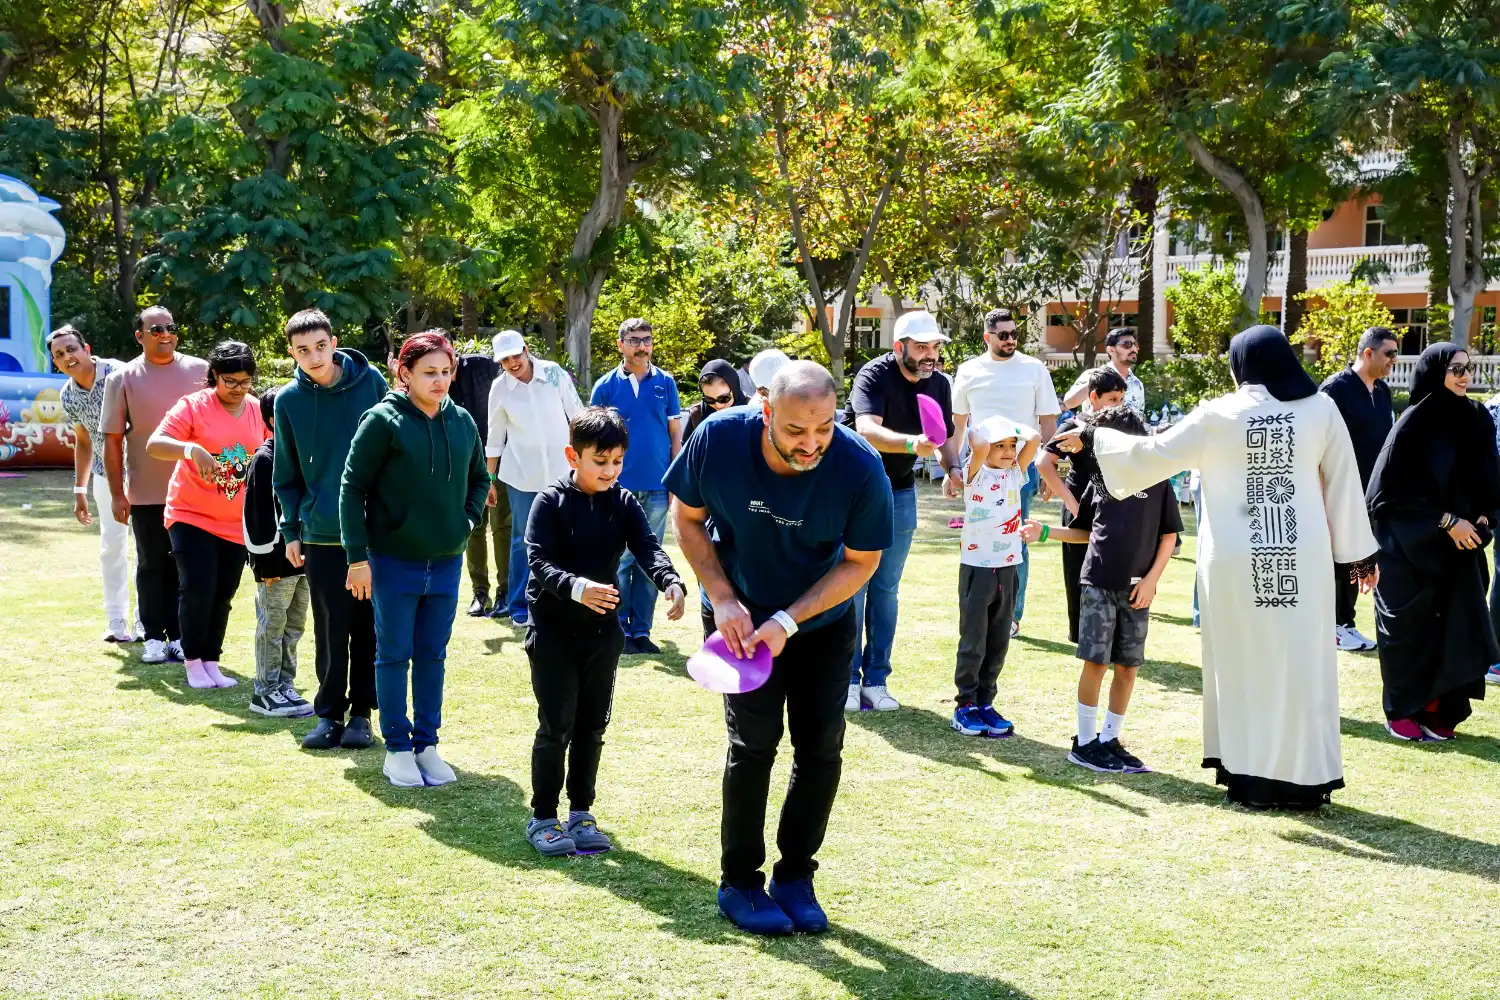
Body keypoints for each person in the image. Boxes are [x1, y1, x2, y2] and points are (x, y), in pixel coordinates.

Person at [1051, 326, 1377, 809]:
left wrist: (1093, 433)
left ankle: (1248, 774)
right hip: (1300, 559)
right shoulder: (1321, 409)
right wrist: (1358, 555)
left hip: (1235, 559)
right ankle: (1303, 778)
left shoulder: (1218, 414)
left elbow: (1151, 455)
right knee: (1300, 663)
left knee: (1241, 662)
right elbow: (1345, 483)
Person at [665, 361, 893, 936]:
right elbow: (686, 517)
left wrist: (788, 621)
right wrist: (722, 597)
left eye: (824, 428)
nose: (811, 443)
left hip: (819, 623)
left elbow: (862, 562)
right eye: (795, 430)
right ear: (765, 408)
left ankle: (795, 877)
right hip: (739, 621)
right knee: (753, 745)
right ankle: (740, 881)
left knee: (820, 749)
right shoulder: (718, 439)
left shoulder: (859, 466)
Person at [522, 407, 687, 856]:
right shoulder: (549, 502)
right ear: (572, 456)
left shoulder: (624, 502)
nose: (610, 471)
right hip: (553, 632)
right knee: (557, 725)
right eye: (600, 461)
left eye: (617, 461)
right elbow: (538, 561)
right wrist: (577, 588)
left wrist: (670, 580)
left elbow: (648, 547)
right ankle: (542, 818)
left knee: (592, 726)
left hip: (601, 635)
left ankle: (581, 814)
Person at [342, 331, 490, 788]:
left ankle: (427, 745)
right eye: (429, 372)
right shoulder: (381, 420)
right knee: (393, 655)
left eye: (446, 371)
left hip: (446, 562)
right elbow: (352, 488)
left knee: (432, 655)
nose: (440, 380)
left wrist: (466, 522)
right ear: (404, 373)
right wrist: (357, 558)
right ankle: (398, 749)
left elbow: (480, 479)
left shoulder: (462, 420)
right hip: (392, 562)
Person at [1028, 405, 1180, 773]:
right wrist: (1045, 532)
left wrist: (1151, 581)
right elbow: (1083, 532)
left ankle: (1110, 738)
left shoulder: (1157, 480)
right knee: (1096, 663)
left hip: (1137, 592)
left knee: (1127, 668)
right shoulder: (1098, 480)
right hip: (1097, 583)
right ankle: (1084, 743)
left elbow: (1169, 537)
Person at [1366, 343, 1499, 741]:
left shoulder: (1477, 417)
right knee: (1411, 632)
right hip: (1409, 547)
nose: (1465, 375)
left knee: (1453, 629)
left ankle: (1439, 712)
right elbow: (1385, 496)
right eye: (1455, 368)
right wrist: (1446, 521)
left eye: (1468, 367)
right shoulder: (1414, 423)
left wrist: (1483, 517)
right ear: (1435, 371)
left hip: (1459, 550)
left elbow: (1489, 478)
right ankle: (1402, 711)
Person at [273, 309, 388, 751]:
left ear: (334, 343)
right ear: (292, 353)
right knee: (329, 626)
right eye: (303, 350)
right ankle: (329, 715)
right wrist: (291, 529)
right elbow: (286, 472)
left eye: (321, 346)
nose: (314, 356)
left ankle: (362, 714)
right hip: (320, 531)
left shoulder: (371, 382)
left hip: (373, 531)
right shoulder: (288, 400)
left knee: (369, 625)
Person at [846, 309, 960, 711]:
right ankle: (847, 680)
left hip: (900, 490)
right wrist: (913, 444)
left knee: (885, 590)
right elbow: (866, 430)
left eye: (935, 347)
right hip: (857, 492)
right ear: (899, 347)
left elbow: (943, 436)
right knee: (852, 588)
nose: (930, 355)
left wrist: (953, 468)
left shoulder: (939, 383)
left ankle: (876, 681)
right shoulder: (874, 375)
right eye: (922, 347)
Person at [145, 341, 266, 690]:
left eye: (245, 382)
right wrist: (190, 448)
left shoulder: (256, 409)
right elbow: (155, 444)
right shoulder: (193, 406)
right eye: (230, 381)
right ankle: (193, 662)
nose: (238, 389)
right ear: (214, 375)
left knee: (223, 593)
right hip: (191, 515)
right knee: (198, 589)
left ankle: (212, 661)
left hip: (235, 521)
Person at [100, 306, 209, 665]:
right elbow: (112, 440)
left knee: (186, 566)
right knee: (151, 565)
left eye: (171, 328)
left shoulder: (201, 370)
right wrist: (117, 494)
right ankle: (152, 636)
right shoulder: (122, 378)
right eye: (156, 329)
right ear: (140, 336)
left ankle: (179, 636)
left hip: (194, 492)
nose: (165, 334)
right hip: (146, 491)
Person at [951, 308, 1061, 638]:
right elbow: (958, 426)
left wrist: (1050, 469)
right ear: (987, 337)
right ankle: (980, 609)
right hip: (978, 471)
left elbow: (1048, 422)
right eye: (1003, 335)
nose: (1011, 339)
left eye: (1014, 333)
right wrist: (952, 467)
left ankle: (1011, 615)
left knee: (1016, 540)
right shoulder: (969, 370)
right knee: (979, 536)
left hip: (1019, 470)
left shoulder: (1034, 368)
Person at [590, 317, 682, 653]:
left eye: (647, 339)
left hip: (657, 486)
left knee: (648, 562)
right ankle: (619, 631)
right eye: (634, 340)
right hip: (616, 488)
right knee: (620, 560)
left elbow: (675, 435)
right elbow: (593, 441)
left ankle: (642, 631)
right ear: (620, 345)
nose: (642, 346)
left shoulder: (666, 383)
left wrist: (675, 481)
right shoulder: (605, 386)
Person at [486, 329, 584, 625]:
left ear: (526, 349)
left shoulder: (554, 373)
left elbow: (577, 415)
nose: (512, 363)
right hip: (521, 476)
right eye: (505, 360)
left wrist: (587, 461)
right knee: (522, 540)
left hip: (563, 473)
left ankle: (563, 600)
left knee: (566, 536)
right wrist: (489, 479)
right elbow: (495, 437)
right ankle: (519, 606)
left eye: (516, 355)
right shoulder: (499, 388)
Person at [950, 416, 1038, 738]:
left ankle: (986, 702)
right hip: (978, 569)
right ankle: (965, 705)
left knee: (999, 641)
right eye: (999, 446)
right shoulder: (975, 475)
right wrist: (980, 431)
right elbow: (979, 445)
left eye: (1011, 445)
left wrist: (1012, 430)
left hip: (1008, 568)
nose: (1008, 451)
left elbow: (1035, 438)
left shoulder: (1015, 474)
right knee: (974, 640)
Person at [53, 325, 137, 643]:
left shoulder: (119, 373)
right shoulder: (68, 395)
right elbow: (84, 441)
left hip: (143, 471)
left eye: (71, 349)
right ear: (56, 363)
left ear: (86, 349)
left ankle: (147, 619)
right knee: (111, 546)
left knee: (149, 548)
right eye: (60, 355)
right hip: (105, 475)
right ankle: (116, 620)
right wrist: (80, 490)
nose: (68, 357)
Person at [1319, 326, 1397, 652]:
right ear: (1368, 353)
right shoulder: (1335, 389)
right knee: (1340, 557)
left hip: (1372, 495)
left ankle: (1346, 623)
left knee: (1360, 556)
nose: (1394, 359)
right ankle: (1334, 626)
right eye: (1389, 353)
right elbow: (1319, 442)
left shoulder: (1383, 391)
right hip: (1339, 490)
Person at [1038, 367, 1127, 643]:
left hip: (1111, 509)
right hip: (1080, 507)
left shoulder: (1120, 427)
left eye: (1121, 399)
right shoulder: (1074, 425)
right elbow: (1044, 462)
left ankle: (1110, 636)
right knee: (1078, 574)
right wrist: (1070, 501)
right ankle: (1081, 637)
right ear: (1093, 397)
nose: (1118, 405)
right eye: (1112, 399)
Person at [243, 386, 312, 717]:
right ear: (274, 419)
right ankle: (265, 691)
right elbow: (256, 516)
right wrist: (264, 564)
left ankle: (286, 684)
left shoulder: (305, 456)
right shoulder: (264, 459)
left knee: (295, 626)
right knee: (272, 626)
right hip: (275, 562)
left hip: (305, 560)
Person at [448, 345, 508, 618]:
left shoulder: (483, 366)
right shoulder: (433, 378)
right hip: (464, 463)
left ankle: (505, 592)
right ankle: (479, 593)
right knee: (473, 526)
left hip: (499, 458)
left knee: (502, 526)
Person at [1062, 328, 1146, 416]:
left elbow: (1139, 416)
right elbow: (1068, 403)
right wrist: (1097, 381)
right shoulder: (1092, 375)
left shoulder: (1137, 383)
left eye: (1135, 344)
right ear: (1111, 350)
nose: (1133, 348)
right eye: (1127, 344)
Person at [683, 359, 749, 440]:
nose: (718, 405)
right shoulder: (697, 414)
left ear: (734, 390)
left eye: (723, 398)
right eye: (709, 400)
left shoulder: (752, 409)